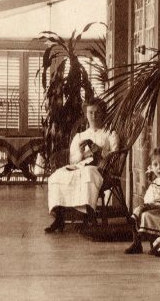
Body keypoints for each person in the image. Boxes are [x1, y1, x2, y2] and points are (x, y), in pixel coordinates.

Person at [44, 99, 119, 233]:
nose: (94, 116)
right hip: (80, 166)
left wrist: (100, 151)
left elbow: (115, 156)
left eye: (97, 112)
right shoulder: (80, 136)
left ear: (103, 114)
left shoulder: (110, 134)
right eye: (91, 112)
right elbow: (73, 160)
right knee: (57, 175)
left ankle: (90, 216)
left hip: (101, 169)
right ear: (86, 114)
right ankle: (59, 217)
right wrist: (80, 153)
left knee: (88, 173)